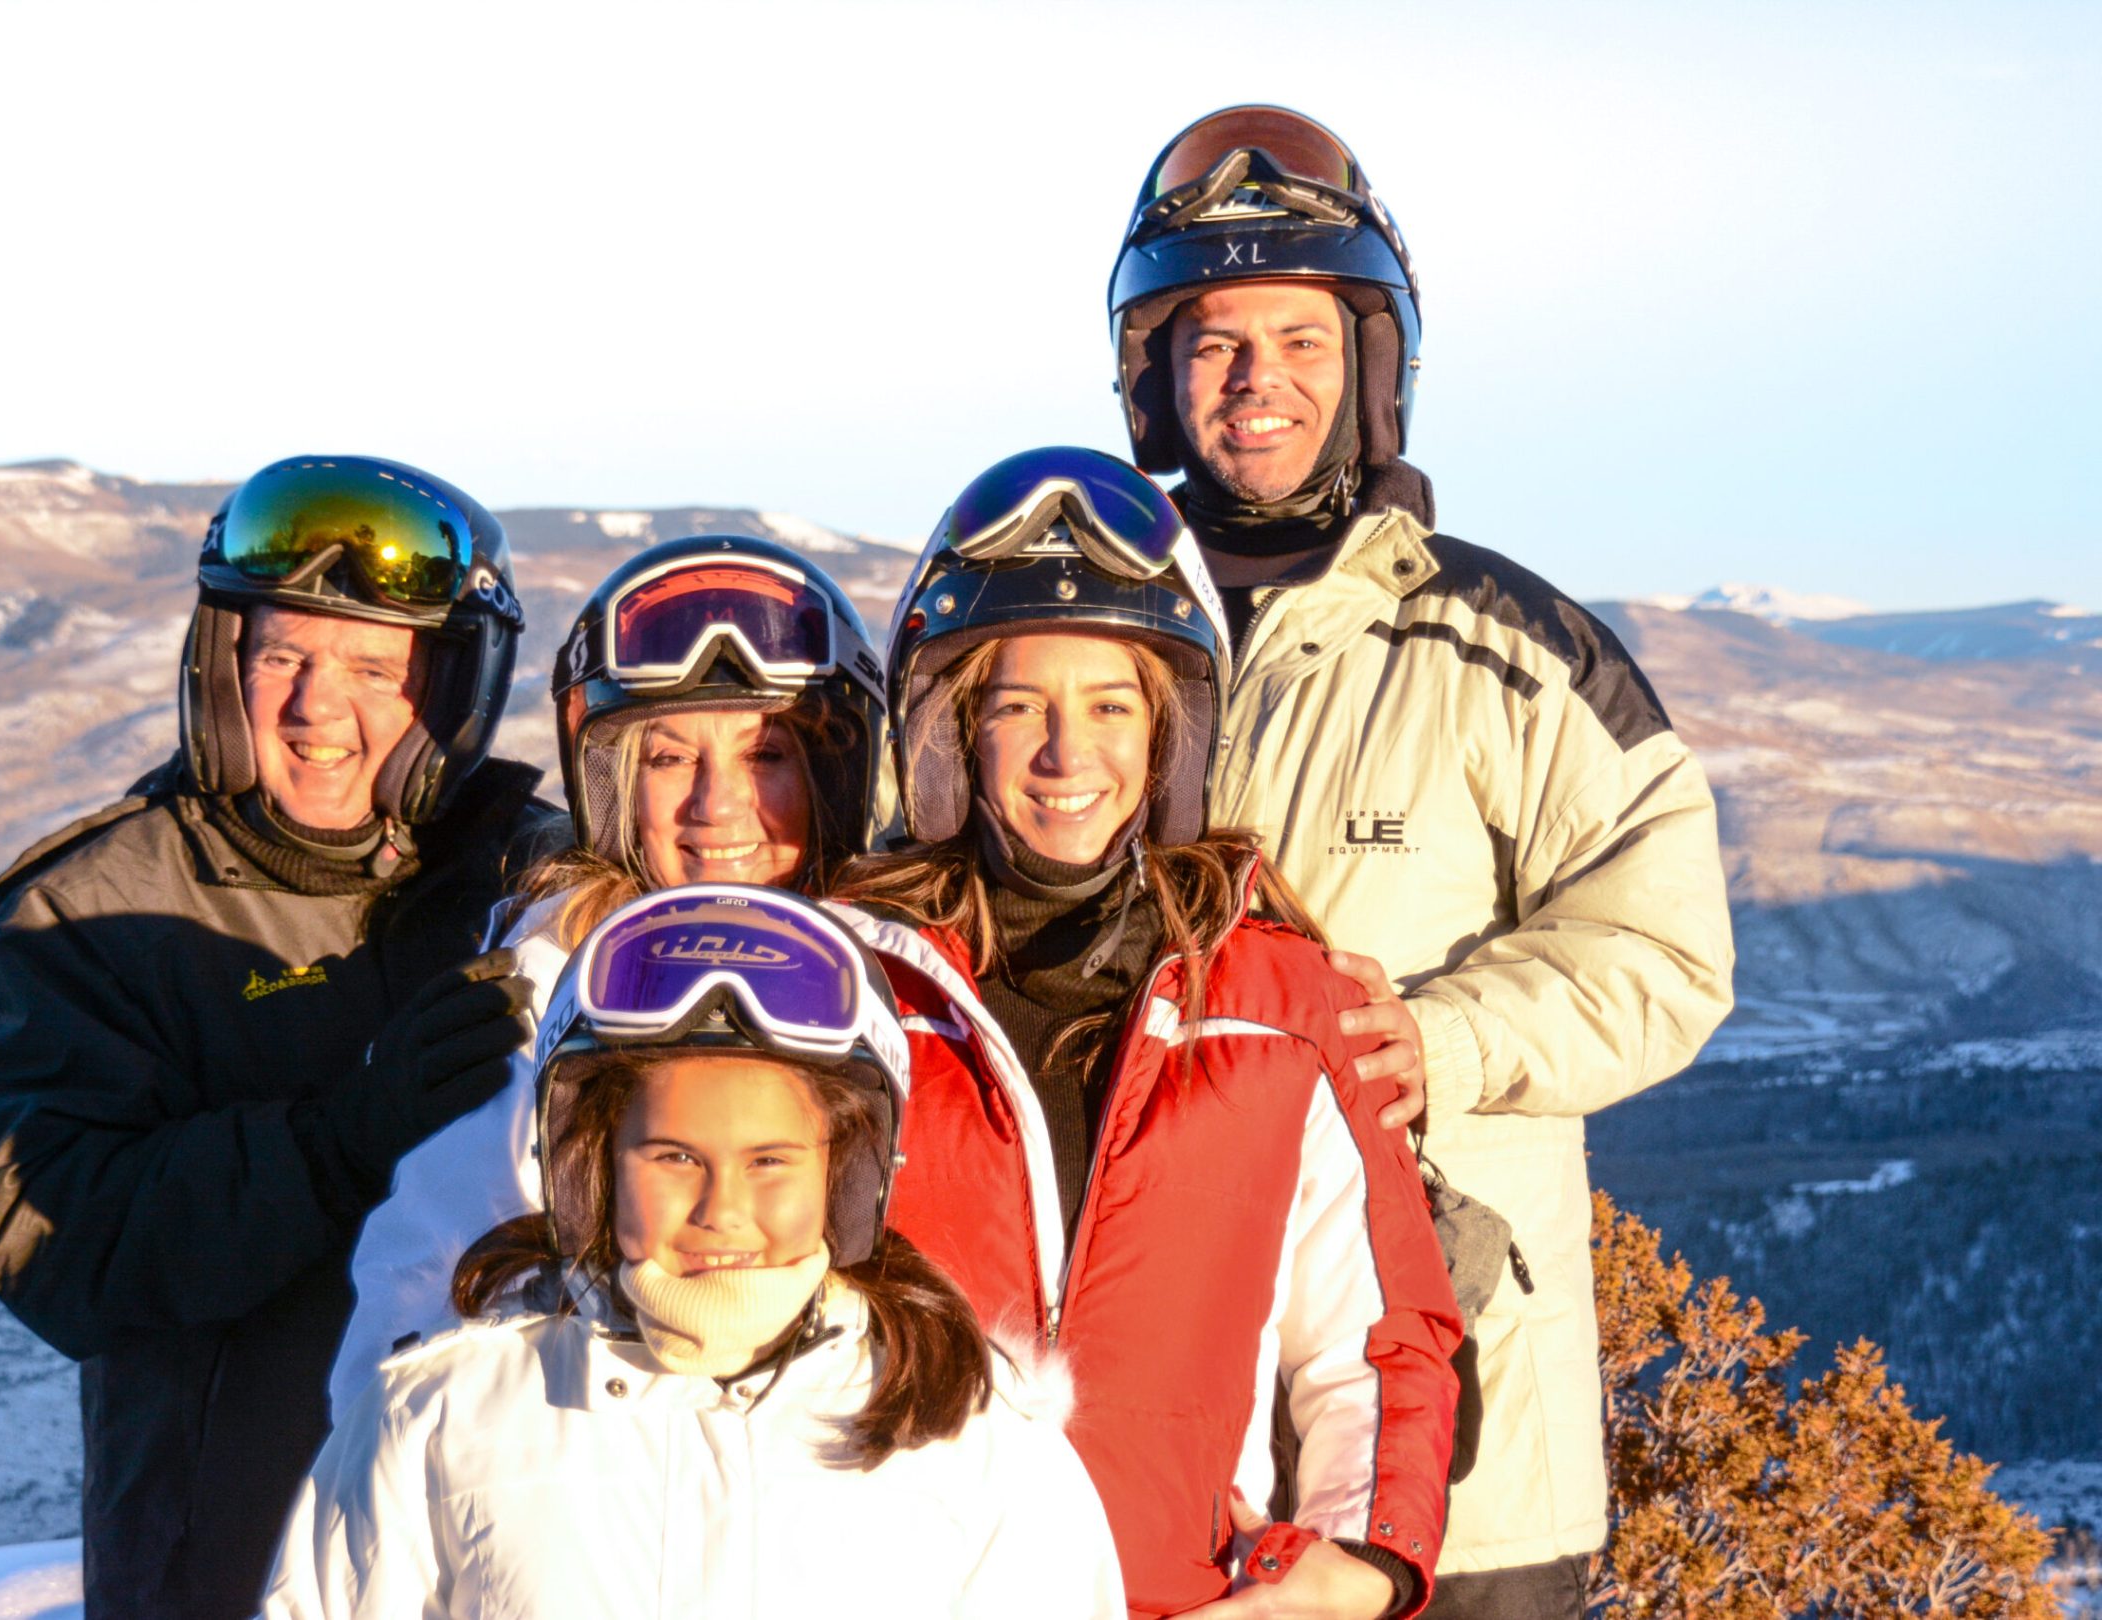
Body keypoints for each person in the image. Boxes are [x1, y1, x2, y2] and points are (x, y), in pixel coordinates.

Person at [1106, 106, 1737, 1615]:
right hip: (1146, 1419)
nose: (1259, 384)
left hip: (1467, 1441)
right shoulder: (1078, 639)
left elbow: (1670, 957)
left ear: (1373, 365)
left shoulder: (1515, 651)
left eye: (1302, 340)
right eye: (1215, 343)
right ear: (1153, 374)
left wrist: (1443, 1041)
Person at [831, 446, 1463, 1619]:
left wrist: (1361, 1563)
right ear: (954, 735)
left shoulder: (1282, 1005)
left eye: (1112, 706)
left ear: (1171, 732)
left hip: (1180, 1593)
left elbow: (1378, 1339)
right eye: (1018, 706)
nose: (1069, 757)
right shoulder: (853, 991)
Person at [0, 455, 559, 1620]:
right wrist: (331, 1148)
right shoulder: (97, 909)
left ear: (455, 690)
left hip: (501, 1552)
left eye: (377, 666)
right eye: (283, 655)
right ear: (221, 664)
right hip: (231, 1563)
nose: (318, 707)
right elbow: (53, 1241)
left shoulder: (537, 878)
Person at [262, 884, 1125, 1620]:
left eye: (771, 1161)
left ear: (850, 1171)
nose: (723, 1209)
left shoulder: (970, 1433)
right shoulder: (442, 1416)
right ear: (590, 1164)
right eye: (674, 1157)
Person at [329, 533, 888, 1417]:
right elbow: (407, 1325)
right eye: (669, 759)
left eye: (767, 755)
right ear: (612, 781)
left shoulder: (901, 978)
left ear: (836, 773)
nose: (719, 805)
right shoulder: (543, 997)